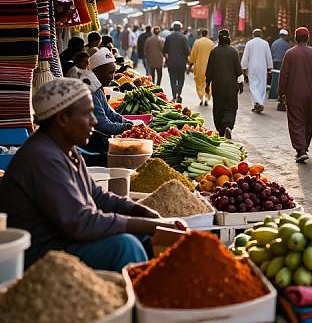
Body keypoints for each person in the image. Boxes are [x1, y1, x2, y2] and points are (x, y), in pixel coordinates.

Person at [0, 78, 186, 272]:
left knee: (142, 237)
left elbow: (96, 196)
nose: (94, 121)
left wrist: (140, 211)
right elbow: (81, 223)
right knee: (124, 246)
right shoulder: (41, 158)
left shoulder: (67, 150)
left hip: (65, 241)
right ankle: (135, 298)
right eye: (87, 114)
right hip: (43, 257)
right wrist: (149, 226)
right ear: (62, 119)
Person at [278, 27, 312, 164]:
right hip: (311, 94)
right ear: (308, 38)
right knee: (309, 121)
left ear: (295, 38)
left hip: (294, 94)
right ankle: (304, 146)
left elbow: (284, 75)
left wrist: (281, 92)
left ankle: (301, 149)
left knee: (296, 121)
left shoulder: (290, 54)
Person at [87, 49, 133, 157]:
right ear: (96, 71)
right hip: (93, 147)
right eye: (110, 72)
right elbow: (104, 125)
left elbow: (109, 112)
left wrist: (128, 122)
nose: (112, 77)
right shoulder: (91, 93)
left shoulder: (98, 90)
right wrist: (127, 126)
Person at [205, 29, 243, 138]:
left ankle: (221, 131)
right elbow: (238, 70)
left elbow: (209, 71)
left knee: (218, 108)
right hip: (231, 86)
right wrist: (240, 85)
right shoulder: (233, 51)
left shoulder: (214, 52)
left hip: (217, 86)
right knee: (231, 107)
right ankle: (228, 126)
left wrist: (207, 85)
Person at [241, 29, 273, 113]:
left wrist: (243, 66)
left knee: (253, 85)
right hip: (262, 67)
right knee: (262, 85)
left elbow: (245, 56)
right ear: (261, 35)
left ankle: (257, 103)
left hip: (252, 67)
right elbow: (268, 56)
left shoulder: (249, 43)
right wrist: (270, 66)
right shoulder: (265, 43)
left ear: (253, 35)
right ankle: (259, 102)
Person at [163, 21, 190, 103]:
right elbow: (187, 51)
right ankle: (179, 93)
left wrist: (166, 59)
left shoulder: (168, 38)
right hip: (182, 63)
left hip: (171, 63)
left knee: (173, 79)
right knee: (181, 79)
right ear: (180, 28)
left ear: (173, 28)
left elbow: (164, 50)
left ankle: (174, 95)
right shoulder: (184, 38)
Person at [189, 29, 215, 106]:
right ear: (207, 34)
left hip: (199, 67)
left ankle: (201, 97)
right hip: (209, 67)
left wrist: (190, 64)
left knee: (199, 83)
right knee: (208, 83)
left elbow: (193, 56)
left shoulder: (197, 42)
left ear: (201, 34)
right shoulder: (211, 43)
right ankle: (206, 98)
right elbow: (214, 56)